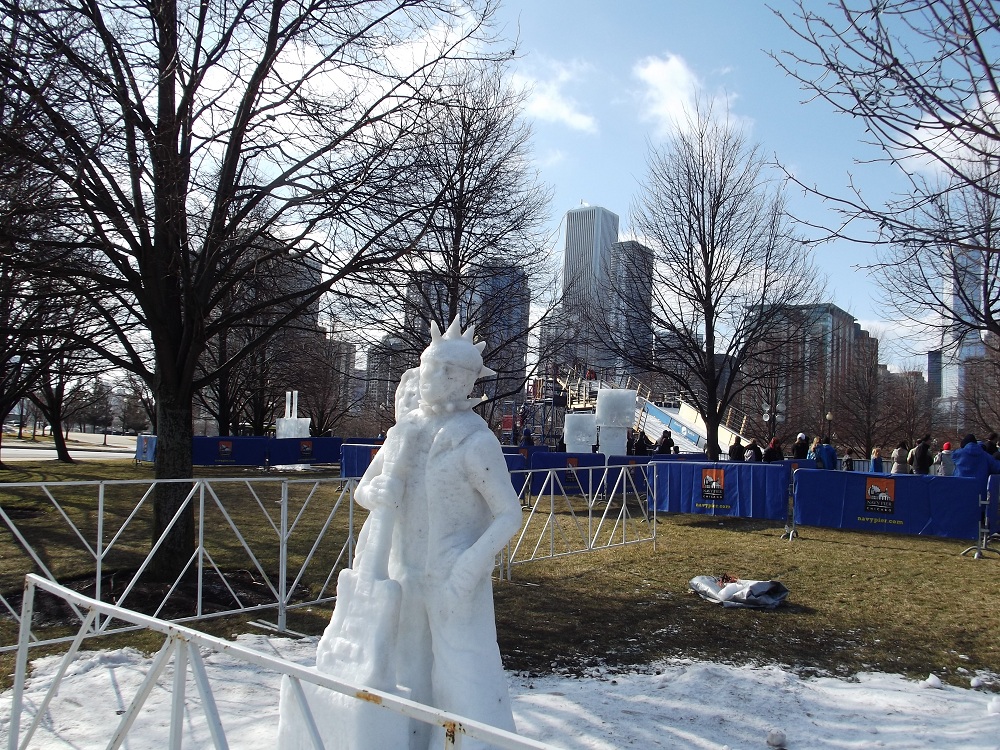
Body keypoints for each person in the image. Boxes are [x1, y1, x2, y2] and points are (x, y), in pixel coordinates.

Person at [315, 320, 523, 749]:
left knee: (466, 672)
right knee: (408, 668)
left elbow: (508, 514)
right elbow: (364, 489)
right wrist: (375, 492)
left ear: (466, 382)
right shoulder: (404, 430)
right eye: (430, 366)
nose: (433, 376)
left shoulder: (475, 441)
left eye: (447, 370)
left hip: (453, 577)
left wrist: (471, 564)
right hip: (404, 570)